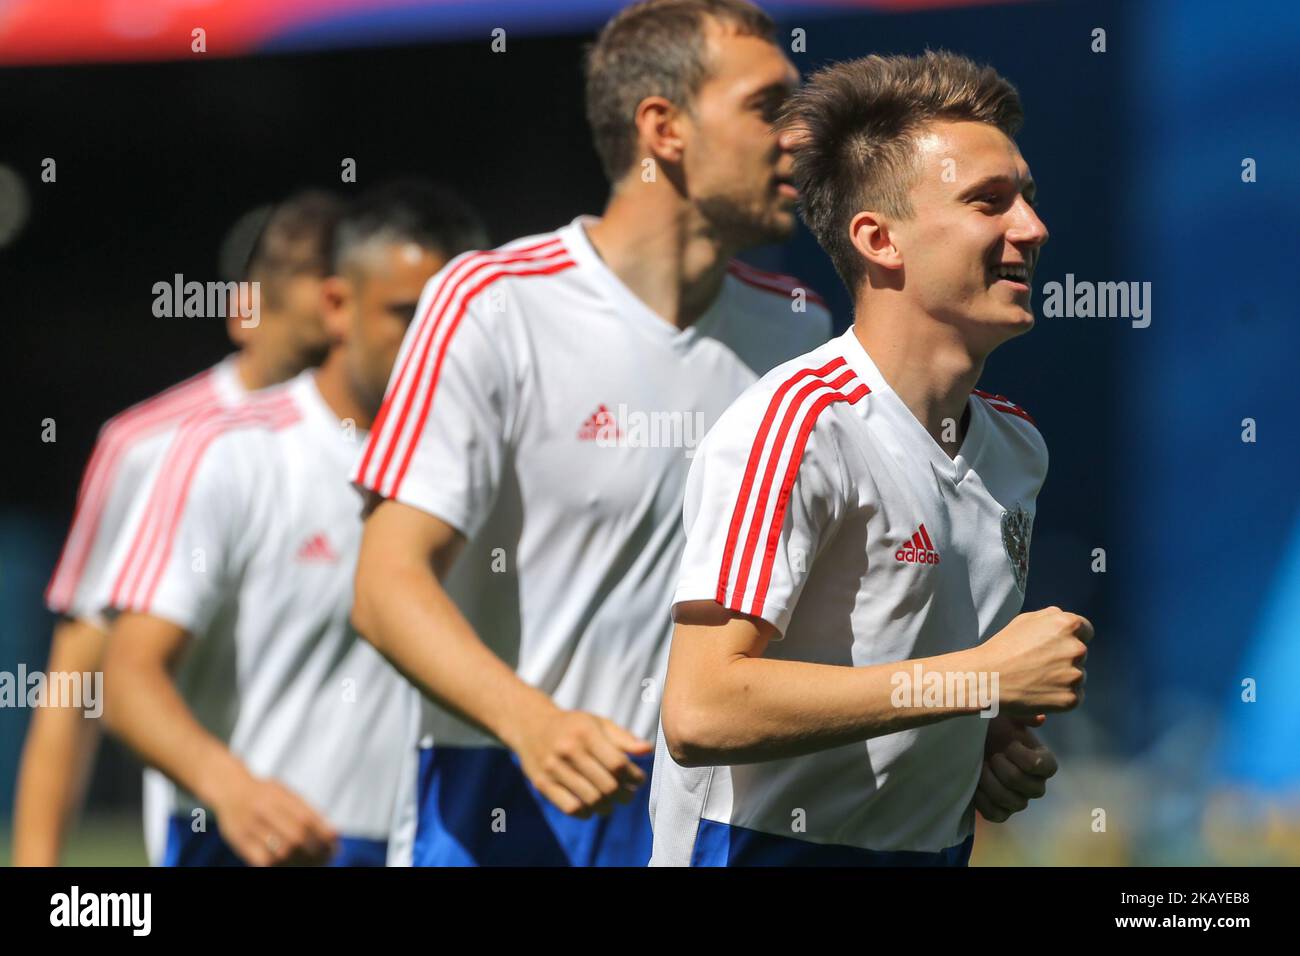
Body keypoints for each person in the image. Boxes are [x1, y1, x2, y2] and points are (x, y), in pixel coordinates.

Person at [350, 0, 830, 866]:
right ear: (664, 128)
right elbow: (385, 587)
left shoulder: (798, 328)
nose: (799, 137)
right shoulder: (492, 302)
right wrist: (534, 723)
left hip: (704, 816)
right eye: (768, 106)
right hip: (501, 805)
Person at [651, 51, 1086, 866]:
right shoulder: (798, 425)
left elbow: (908, 680)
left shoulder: (1017, 445)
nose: (1031, 228)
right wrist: (973, 683)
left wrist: (975, 741)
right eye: (990, 202)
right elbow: (701, 710)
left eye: (1027, 199)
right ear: (879, 239)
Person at [95, 181, 486, 866]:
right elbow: (125, 681)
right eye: (407, 316)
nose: (433, 346)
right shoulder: (231, 451)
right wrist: (236, 792)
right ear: (338, 305)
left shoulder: (488, 462)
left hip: (431, 846)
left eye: (455, 324)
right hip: (254, 845)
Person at [14, 190, 343, 866]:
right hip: (218, 843)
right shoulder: (148, 445)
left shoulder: (404, 440)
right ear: (243, 310)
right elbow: (79, 682)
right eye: (313, 336)